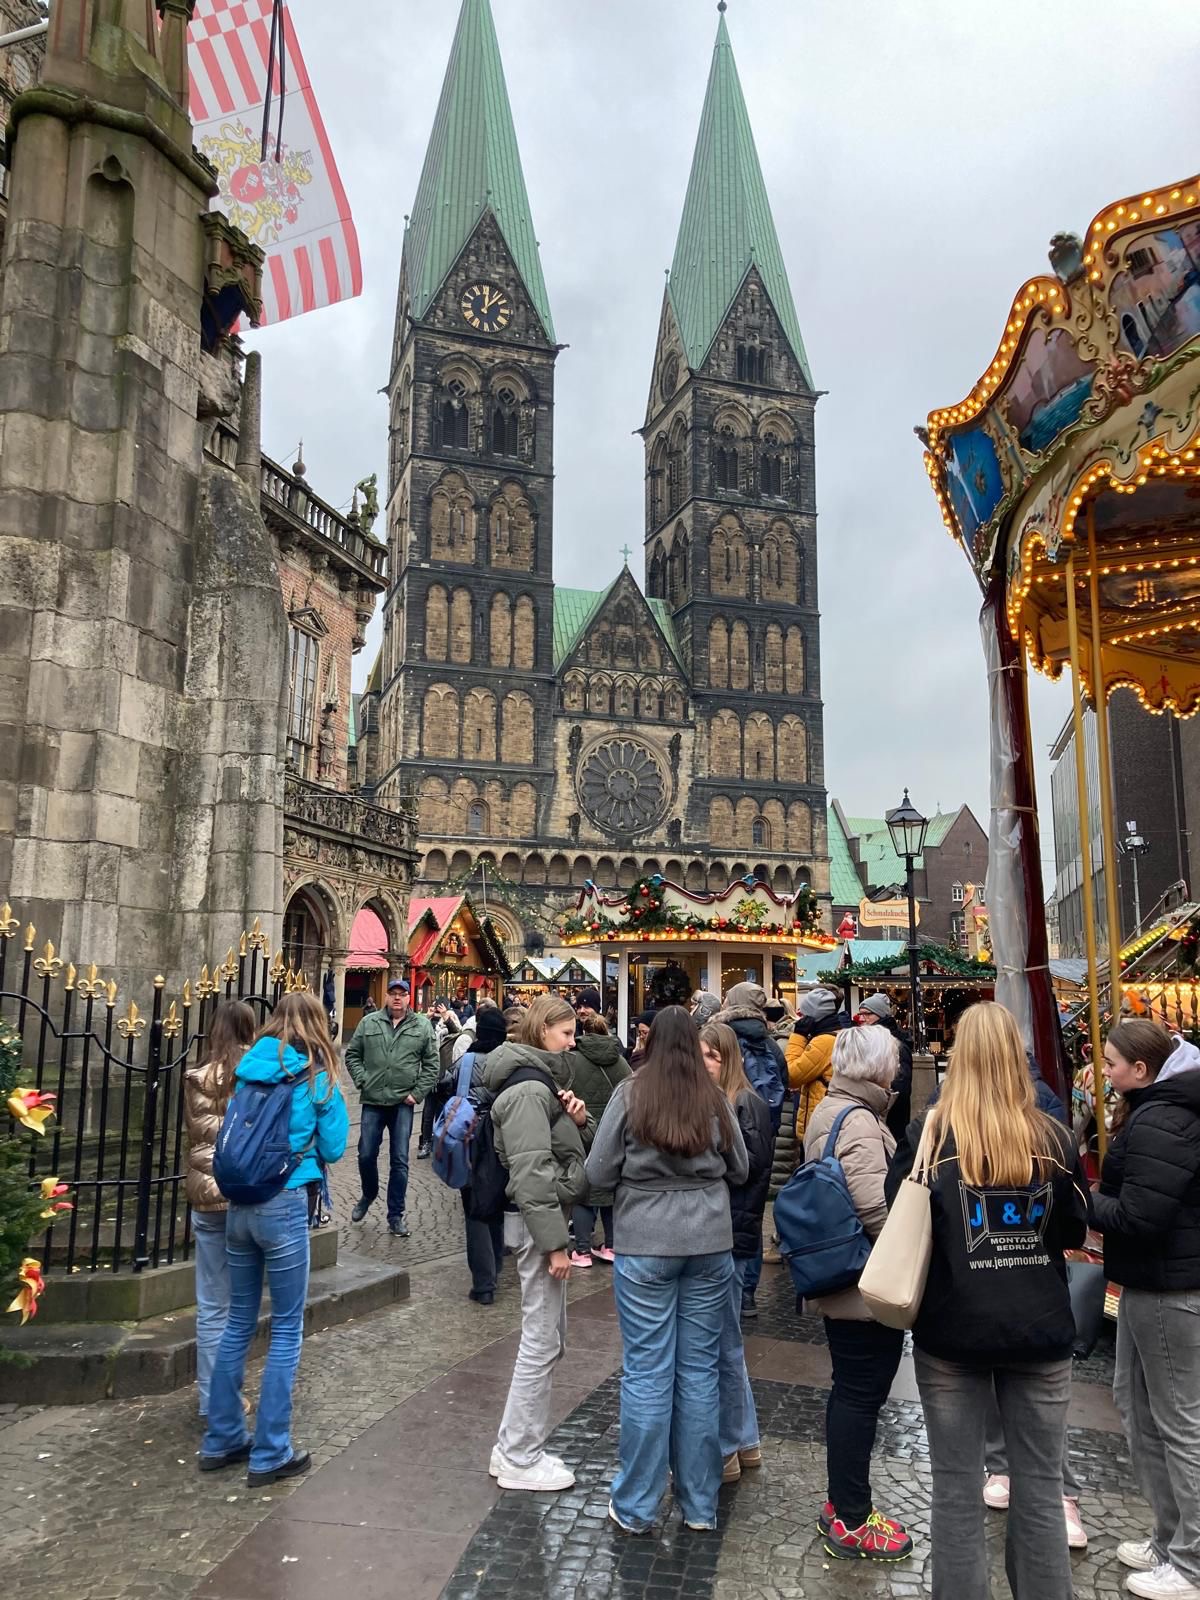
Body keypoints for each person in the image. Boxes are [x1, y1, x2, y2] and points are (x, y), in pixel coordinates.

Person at [887, 1001, 1089, 1600]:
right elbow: (1075, 1230)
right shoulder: (1052, 1136)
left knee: (954, 1488)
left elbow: (902, 1221)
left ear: (960, 1060)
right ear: (1013, 1060)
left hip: (951, 1331)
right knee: (1041, 1487)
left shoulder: (930, 1136)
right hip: (1041, 1328)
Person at [586, 1005, 748, 1534]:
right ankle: (700, 1505)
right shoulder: (714, 1098)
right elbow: (741, 1168)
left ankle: (635, 1505)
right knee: (699, 1373)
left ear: (652, 1042)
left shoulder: (631, 1093)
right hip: (708, 1243)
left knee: (647, 1373)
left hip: (645, 1243)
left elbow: (598, 1171)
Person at [199, 993, 348, 1485]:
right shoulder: (316, 1075)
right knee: (285, 1328)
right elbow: (333, 1146)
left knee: (239, 1319)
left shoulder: (248, 1069)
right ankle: (271, 1451)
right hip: (284, 1202)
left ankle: (221, 1437)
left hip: (239, 1203)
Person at [1091, 1019, 1200, 1600]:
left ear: (1141, 1069)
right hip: (1148, 1283)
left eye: (1110, 1064)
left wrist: (1082, 1201)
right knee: (1141, 1414)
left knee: (1178, 1423)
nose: (1104, 1073)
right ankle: (1170, 1538)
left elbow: (1140, 1216)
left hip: (1168, 1288)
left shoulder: (1163, 1118)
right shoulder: (1157, 1110)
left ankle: (1192, 1560)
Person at [803, 1025, 913, 1560]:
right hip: (862, 1288)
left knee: (850, 1392)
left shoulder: (832, 1108)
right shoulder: (862, 1123)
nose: (898, 1070)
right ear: (878, 1069)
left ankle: (841, 1504)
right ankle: (850, 1515)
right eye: (893, 1061)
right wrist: (908, 1259)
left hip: (839, 1279)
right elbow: (876, 1208)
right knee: (860, 1397)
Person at [484, 995, 593, 1492]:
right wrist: (555, 1245)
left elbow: (550, 1151)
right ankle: (518, 1455)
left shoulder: (540, 1083)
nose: (573, 1043)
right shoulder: (529, 1089)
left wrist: (575, 1120)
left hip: (540, 1220)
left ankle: (513, 1444)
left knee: (547, 1337)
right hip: (537, 1225)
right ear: (542, 1029)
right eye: (567, 1034)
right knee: (542, 1339)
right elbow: (531, 1170)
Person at [699, 1021, 772, 1485]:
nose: (702, 1063)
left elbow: (746, 1172)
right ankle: (744, 1441)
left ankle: (729, 1447)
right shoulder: (732, 1102)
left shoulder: (743, 1103)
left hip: (731, 1234)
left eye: (710, 1055)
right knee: (727, 1343)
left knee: (721, 1345)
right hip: (730, 1231)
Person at [185, 998, 256, 1420]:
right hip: (241, 1192)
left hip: (204, 1194)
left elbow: (195, 1135)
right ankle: (229, 1395)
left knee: (211, 1305)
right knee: (241, 1304)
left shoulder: (196, 1076)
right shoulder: (254, 1073)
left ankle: (213, 1399)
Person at [714, 982, 785, 1322]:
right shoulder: (771, 1045)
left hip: (728, 1130)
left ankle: (722, 1289)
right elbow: (786, 1087)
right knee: (752, 1218)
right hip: (764, 1134)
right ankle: (748, 1293)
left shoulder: (719, 1037)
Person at [345, 977, 437, 1236]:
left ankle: (395, 1215)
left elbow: (432, 1064)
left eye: (402, 993)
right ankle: (368, 1193)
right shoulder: (369, 1022)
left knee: (399, 1160)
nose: (397, 998)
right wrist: (363, 1079)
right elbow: (353, 1055)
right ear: (386, 996)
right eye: (393, 993)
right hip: (373, 1100)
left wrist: (417, 1093)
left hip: (402, 1103)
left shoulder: (421, 1026)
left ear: (409, 997)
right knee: (365, 1153)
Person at [456, 1004, 511, 1305]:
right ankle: (497, 1266)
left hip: (471, 1138)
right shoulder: (509, 1060)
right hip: (502, 1139)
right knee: (496, 1201)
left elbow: (443, 1088)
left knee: (474, 1207)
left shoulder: (466, 1061)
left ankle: (484, 1283)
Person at [568, 1014, 632, 1267]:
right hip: (614, 1131)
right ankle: (612, 1246)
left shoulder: (573, 1060)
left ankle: (582, 1251)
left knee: (584, 1191)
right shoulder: (621, 1063)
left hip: (581, 1129)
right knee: (610, 1189)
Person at [786, 986, 847, 1143]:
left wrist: (798, 1036)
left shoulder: (824, 1041)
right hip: (829, 1120)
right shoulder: (839, 1033)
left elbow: (791, 1075)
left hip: (820, 1123)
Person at [854, 993, 913, 1143]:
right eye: (861, 1014)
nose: (863, 1018)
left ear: (880, 1015)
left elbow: (901, 1086)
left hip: (889, 1115)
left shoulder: (896, 1044)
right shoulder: (869, 1039)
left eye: (867, 1014)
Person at [417, 1000, 462, 1160]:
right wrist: (427, 1017)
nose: (443, 1017)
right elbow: (416, 1031)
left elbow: (456, 1031)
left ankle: (441, 1142)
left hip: (446, 1078)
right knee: (428, 1112)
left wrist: (447, 1017)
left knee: (445, 1112)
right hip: (431, 1076)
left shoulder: (452, 1031)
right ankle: (425, 1142)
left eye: (447, 1015)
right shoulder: (430, 1029)